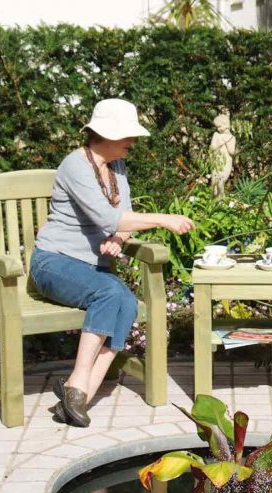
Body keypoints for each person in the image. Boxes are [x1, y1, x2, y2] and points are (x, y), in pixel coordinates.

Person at [31, 98, 195, 427]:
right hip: (54, 263)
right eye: (126, 136)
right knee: (110, 294)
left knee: (126, 302)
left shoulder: (116, 167)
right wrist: (164, 219)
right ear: (104, 134)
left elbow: (122, 219)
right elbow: (108, 216)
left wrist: (118, 238)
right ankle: (78, 383)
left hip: (91, 271)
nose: (132, 143)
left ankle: (78, 396)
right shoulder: (76, 165)